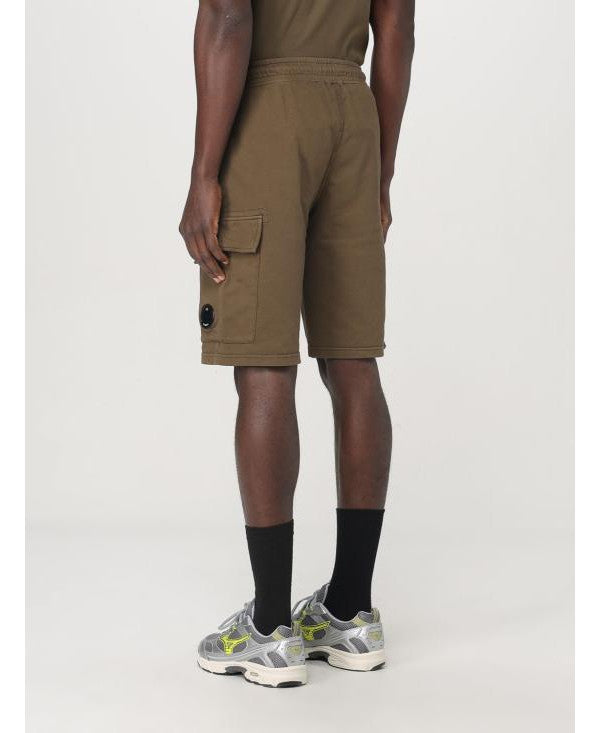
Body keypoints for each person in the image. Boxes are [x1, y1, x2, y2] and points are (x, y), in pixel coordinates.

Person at [179, 0, 415, 688]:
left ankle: (269, 627)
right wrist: (382, 164)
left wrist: (203, 174)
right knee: (353, 359)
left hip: (267, 108)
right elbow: (397, 26)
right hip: (353, 113)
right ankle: (350, 610)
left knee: (264, 363)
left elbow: (228, 16)